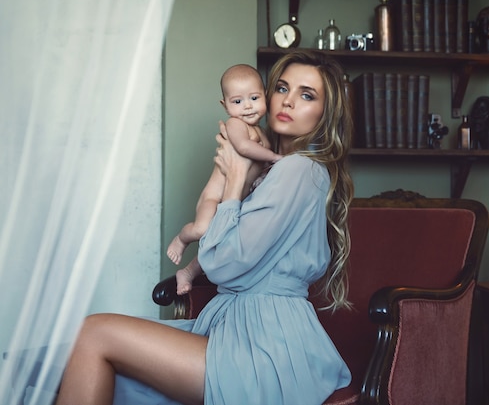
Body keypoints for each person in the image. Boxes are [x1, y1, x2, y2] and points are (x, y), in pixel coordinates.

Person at [55, 50, 354, 405]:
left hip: (264, 350)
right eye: (282, 88)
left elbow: (224, 265)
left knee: (93, 333)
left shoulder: (298, 170)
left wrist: (235, 179)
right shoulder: (278, 169)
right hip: (241, 332)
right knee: (92, 364)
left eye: (307, 95)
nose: (287, 101)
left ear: (324, 113)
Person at [167, 64, 282, 295]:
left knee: (218, 243)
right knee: (203, 230)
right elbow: (242, 147)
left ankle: (188, 272)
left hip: (235, 202)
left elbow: (256, 167)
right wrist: (274, 157)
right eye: (237, 101)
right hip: (215, 197)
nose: (247, 106)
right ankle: (182, 237)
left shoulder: (264, 133)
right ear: (225, 105)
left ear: (266, 97)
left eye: (254, 97)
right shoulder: (235, 125)